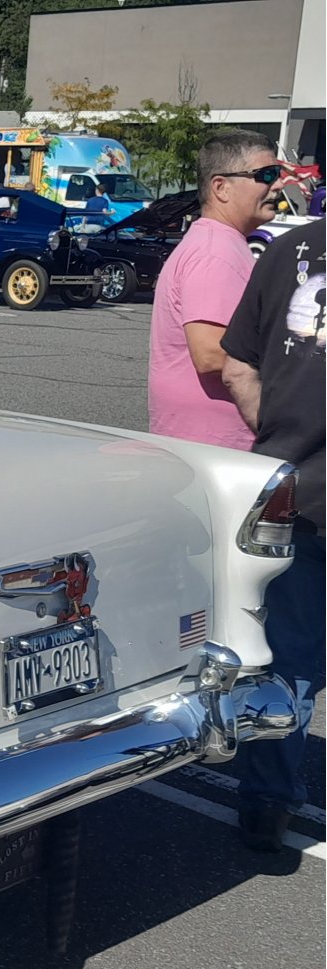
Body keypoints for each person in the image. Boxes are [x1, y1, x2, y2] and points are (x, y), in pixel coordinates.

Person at [219, 219, 325, 852]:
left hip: (295, 487)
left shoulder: (288, 248)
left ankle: (267, 803)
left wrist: (284, 432)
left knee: (289, 651)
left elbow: (235, 366)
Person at [147, 130, 288, 451]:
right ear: (221, 187)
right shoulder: (215, 251)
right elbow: (210, 353)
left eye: (277, 175)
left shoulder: (220, 243)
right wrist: (294, 360)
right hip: (214, 451)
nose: (278, 185)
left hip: (206, 446)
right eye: (265, 175)